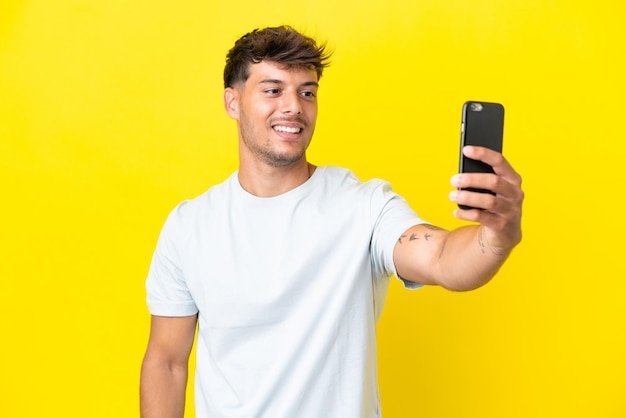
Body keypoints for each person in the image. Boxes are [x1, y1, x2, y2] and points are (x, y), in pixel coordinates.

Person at [139, 25, 524, 418]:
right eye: (273, 90)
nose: (293, 106)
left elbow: (443, 259)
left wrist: (497, 236)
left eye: (306, 92)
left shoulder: (364, 206)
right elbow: (166, 362)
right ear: (232, 102)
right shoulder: (190, 226)